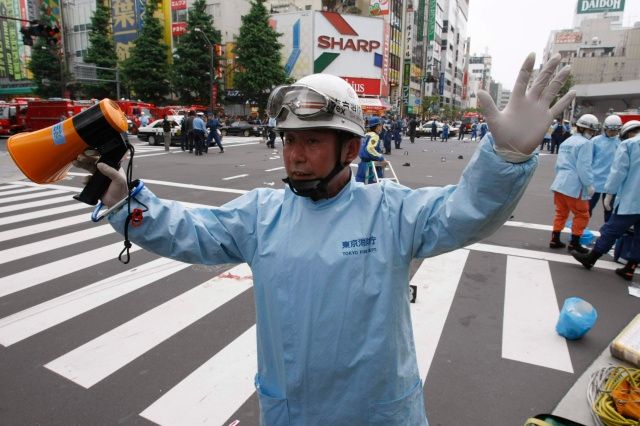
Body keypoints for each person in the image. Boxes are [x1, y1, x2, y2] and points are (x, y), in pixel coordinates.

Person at [75, 54, 573, 424]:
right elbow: (190, 232)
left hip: (378, 416)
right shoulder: (260, 215)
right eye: (289, 139)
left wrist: (503, 159)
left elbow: (468, 212)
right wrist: (128, 201)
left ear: (350, 148)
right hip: (291, 412)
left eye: (312, 140)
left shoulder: (392, 212)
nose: (295, 153)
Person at [571, 120, 640, 281]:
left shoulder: (629, 144)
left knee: (611, 229)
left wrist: (610, 193)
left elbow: (618, 172)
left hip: (632, 198)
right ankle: (630, 268)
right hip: (625, 194)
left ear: (627, 132)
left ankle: (591, 258)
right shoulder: (599, 141)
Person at [548, 114, 599, 253]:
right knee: (582, 215)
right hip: (574, 185)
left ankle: (555, 239)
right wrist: (589, 185)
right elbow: (584, 167)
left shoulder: (567, 142)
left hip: (559, 183)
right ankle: (574, 243)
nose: (592, 133)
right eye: (592, 130)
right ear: (587, 129)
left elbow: (558, 164)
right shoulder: (586, 143)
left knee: (561, 212)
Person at [589, 114, 622, 222]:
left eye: (615, 131)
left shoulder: (621, 143)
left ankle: (607, 234)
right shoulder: (595, 141)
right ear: (604, 128)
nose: (612, 133)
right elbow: (588, 160)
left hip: (612, 183)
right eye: (610, 130)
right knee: (587, 208)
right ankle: (579, 230)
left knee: (609, 209)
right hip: (594, 181)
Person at [356, 116, 385, 184]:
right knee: (373, 188)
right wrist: (381, 157)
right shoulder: (375, 136)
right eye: (380, 125)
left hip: (362, 165)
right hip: (371, 166)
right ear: (377, 126)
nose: (381, 127)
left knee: (361, 185)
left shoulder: (366, 135)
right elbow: (370, 149)